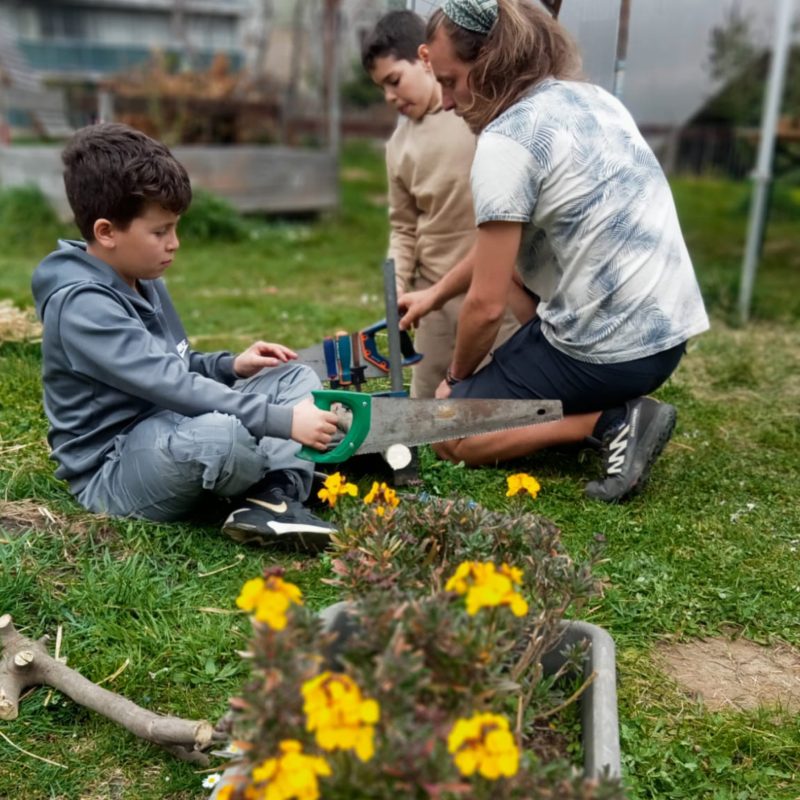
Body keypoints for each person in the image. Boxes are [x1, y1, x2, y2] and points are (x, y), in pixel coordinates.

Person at [398, 0, 710, 502]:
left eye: (452, 82)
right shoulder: (591, 100)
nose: (448, 102)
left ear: (491, 63)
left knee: (449, 432)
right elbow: (501, 256)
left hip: (613, 352)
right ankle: (582, 397)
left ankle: (608, 419)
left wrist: (455, 382)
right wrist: (434, 294)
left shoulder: (507, 141)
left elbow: (486, 306)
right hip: (666, 334)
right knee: (520, 273)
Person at [31, 123, 339, 550]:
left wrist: (229, 366)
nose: (173, 244)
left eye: (175, 228)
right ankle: (277, 476)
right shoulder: (83, 306)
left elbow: (176, 365)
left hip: (172, 420)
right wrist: (284, 422)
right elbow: (171, 384)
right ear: (106, 232)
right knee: (221, 436)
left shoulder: (141, 274)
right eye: (160, 232)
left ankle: (275, 495)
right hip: (115, 467)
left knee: (293, 376)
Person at [361, 9, 527, 398]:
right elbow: (403, 227)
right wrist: (398, 285)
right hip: (431, 296)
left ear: (424, 59)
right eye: (381, 88)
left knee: (498, 406)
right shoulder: (397, 147)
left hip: (494, 289)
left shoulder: (476, 114)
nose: (389, 96)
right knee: (426, 408)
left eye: (394, 81)